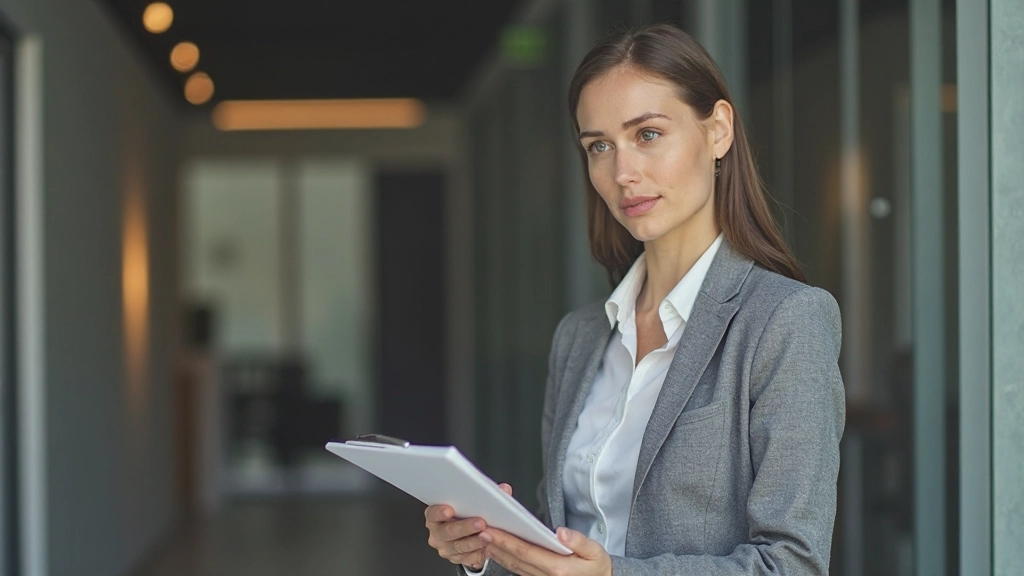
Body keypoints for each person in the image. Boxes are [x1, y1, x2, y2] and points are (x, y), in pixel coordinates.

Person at [425, 23, 845, 576]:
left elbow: (793, 565)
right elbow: (571, 547)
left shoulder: (785, 321)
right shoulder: (578, 337)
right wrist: (487, 549)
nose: (623, 173)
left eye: (647, 134)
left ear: (718, 130)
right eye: (599, 146)